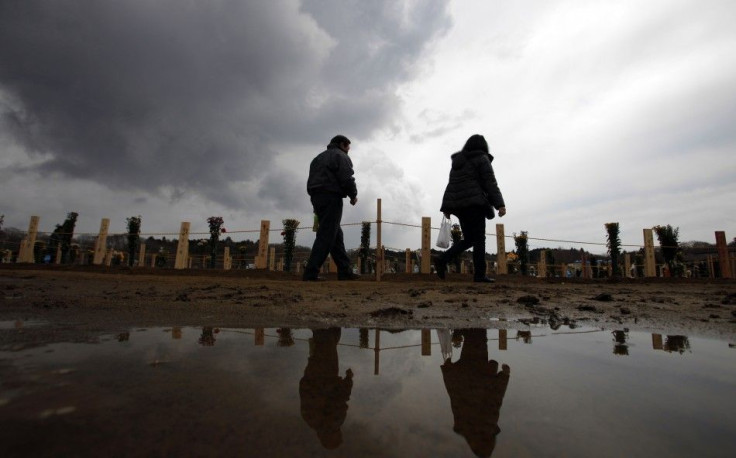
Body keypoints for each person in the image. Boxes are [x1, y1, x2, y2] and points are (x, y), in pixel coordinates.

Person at [435, 134, 506, 283]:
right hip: (475, 204)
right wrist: (499, 204)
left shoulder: (458, 163)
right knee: (479, 239)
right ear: (483, 146)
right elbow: (490, 183)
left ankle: (442, 259)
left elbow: (452, 185)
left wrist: (447, 208)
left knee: (468, 240)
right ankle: (479, 275)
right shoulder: (482, 159)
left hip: (460, 207)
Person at [303, 135, 359, 281]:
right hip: (331, 196)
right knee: (326, 234)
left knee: (335, 235)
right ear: (342, 144)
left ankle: (345, 271)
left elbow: (311, 180)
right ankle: (310, 273)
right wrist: (353, 195)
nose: (348, 151)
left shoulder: (317, 158)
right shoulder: (341, 156)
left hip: (316, 197)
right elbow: (347, 178)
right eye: (348, 147)